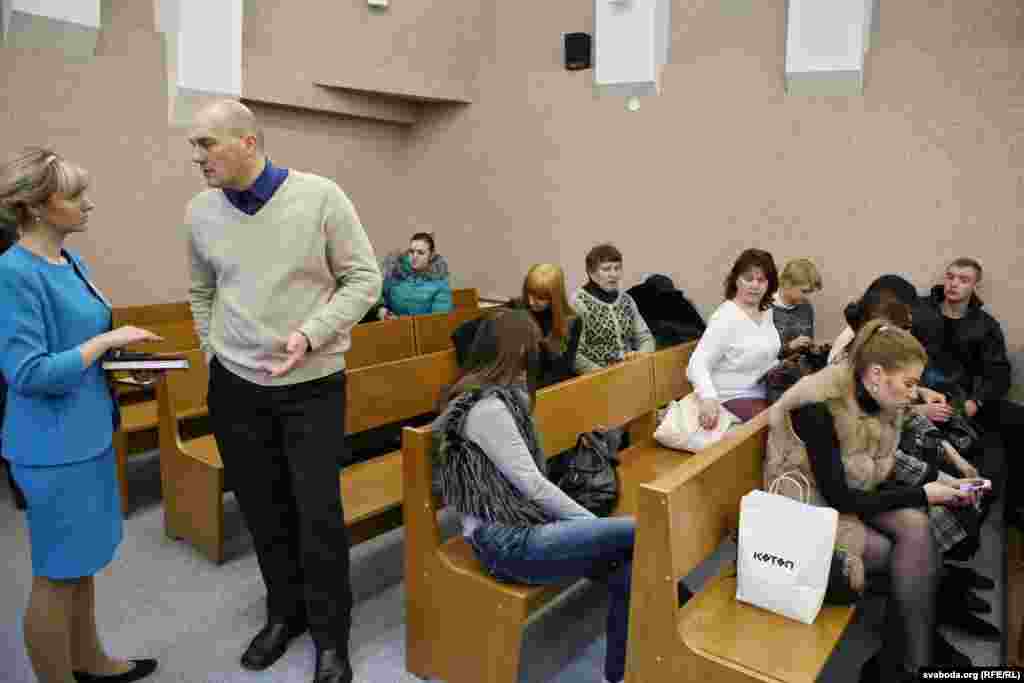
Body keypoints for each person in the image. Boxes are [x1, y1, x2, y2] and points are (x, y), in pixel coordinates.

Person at [187, 100, 382, 683]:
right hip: (234, 387)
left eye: (206, 143)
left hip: (310, 386)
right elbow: (202, 292)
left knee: (317, 515)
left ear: (247, 142)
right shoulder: (200, 211)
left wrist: (312, 332)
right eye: (195, 146)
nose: (197, 157)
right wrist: (212, 351)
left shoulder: (320, 197)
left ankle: (330, 636)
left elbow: (364, 279)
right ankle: (284, 614)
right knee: (262, 510)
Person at [0, 148, 161, 683]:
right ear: (37, 207)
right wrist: (105, 343)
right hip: (50, 448)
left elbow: (80, 351)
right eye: (74, 196)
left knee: (82, 563)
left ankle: (89, 660)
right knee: (56, 574)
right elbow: (28, 372)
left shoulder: (71, 263)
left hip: (89, 434)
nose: (87, 204)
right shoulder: (12, 273)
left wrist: (126, 366)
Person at [768, 320, 986, 680]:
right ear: (875, 374)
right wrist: (925, 492)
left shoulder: (873, 398)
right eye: (909, 384)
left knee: (916, 526)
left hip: (843, 498)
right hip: (805, 509)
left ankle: (905, 662)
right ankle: (910, 661)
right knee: (906, 551)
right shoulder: (819, 405)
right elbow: (839, 497)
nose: (913, 394)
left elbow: (869, 477)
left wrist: (943, 486)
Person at [432, 310, 636, 683]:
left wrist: (592, 530)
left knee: (632, 562)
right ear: (513, 354)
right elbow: (534, 485)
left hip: (523, 528)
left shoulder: (501, 400)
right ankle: (653, 654)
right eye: (529, 353)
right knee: (643, 531)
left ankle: (620, 672)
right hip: (507, 544)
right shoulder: (487, 409)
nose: (533, 364)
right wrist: (592, 526)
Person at [686, 248, 781, 425]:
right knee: (784, 420)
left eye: (761, 280)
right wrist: (708, 398)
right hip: (733, 397)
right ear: (736, 280)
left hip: (766, 392)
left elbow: (767, 354)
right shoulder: (725, 317)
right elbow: (697, 364)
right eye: (748, 279)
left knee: (812, 408)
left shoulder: (766, 312)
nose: (755, 285)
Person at [452, 263, 582, 387]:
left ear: (555, 297)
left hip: (542, 389)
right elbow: (462, 333)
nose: (531, 302)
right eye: (529, 293)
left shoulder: (571, 322)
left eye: (540, 298)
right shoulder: (517, 306)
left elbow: (561, 372)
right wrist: (478, 372)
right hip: (507, 384)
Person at [571, 243, 655, 374]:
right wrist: (606, 375)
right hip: (597, 378)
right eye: (606, 269)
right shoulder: (578, 303)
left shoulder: (626, 300)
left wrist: (640, 356)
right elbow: (575, 355)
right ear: (591, 273)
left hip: (630, 372)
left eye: (617, 268)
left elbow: (646, 338)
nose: (614, 274)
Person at [377, 232, 452, 319]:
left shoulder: (440, 285)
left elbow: (438, 321)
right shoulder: (395, 273)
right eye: (411, 251)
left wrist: (400, 321)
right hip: (388, 325)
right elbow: (378, 297)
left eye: (420, 253)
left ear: (431, 255)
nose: (414, 256)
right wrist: (381, 309)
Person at [772, 257, 822, 354]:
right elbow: (760, 354)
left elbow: (808, 342)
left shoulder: (806, 307)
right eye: (804, 291)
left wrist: (812, 348)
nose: (808, 296)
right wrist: (790, 346)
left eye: (811, 291)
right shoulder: (766, 308)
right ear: (787, 284)